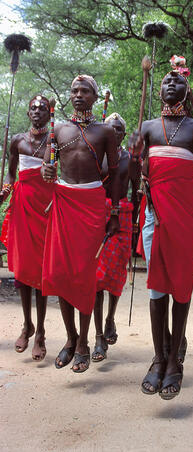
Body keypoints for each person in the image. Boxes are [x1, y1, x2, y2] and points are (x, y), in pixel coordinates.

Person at [131, 55, 193, 400]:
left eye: (177, 81)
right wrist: (135, 156)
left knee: (179, 286)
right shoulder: (147, 128)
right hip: (154, 218)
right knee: (156, 287)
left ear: (187, 91)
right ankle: (159, 356)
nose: (169, 84)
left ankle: (175, 361)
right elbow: (137, 179)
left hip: (185, 219)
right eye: (165, 80)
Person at [41, 75, 120, 373]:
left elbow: (115, 176)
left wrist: (112, 214)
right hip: (63, 203)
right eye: (74, 90)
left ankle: (85, 342)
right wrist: (47, 172)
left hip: (91, 206)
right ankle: (70, 338)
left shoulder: (105, 133)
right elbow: (50, 167)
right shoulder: (58, 130)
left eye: (84, 90)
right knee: (61, 272)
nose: (78, 94)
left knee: (85, 276)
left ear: (94, 97)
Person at [0, 95, 54, 361]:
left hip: (46, 209)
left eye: (42, 108)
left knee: (41, 272)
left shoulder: (55, 142)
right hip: (22, 207)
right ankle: (27, 324)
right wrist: (5, 189)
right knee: (22, 272)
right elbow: (12, 172)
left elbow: (62, 174)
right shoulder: (18, 140)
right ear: (28, 111)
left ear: (50, 112)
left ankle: (42, 331)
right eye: (32, 107)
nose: (36, 111)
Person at [92, 112, 141, 362]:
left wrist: (134, 224)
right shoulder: (94, 156)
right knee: (96, 279)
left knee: (115, 275)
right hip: (95, 217)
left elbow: (137, 191)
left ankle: (111, 317)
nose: (113, 133)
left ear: (123, 134)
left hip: (122, 218)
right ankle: (99, 337)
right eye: (109, 129)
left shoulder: (129, 160)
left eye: (118, 129)